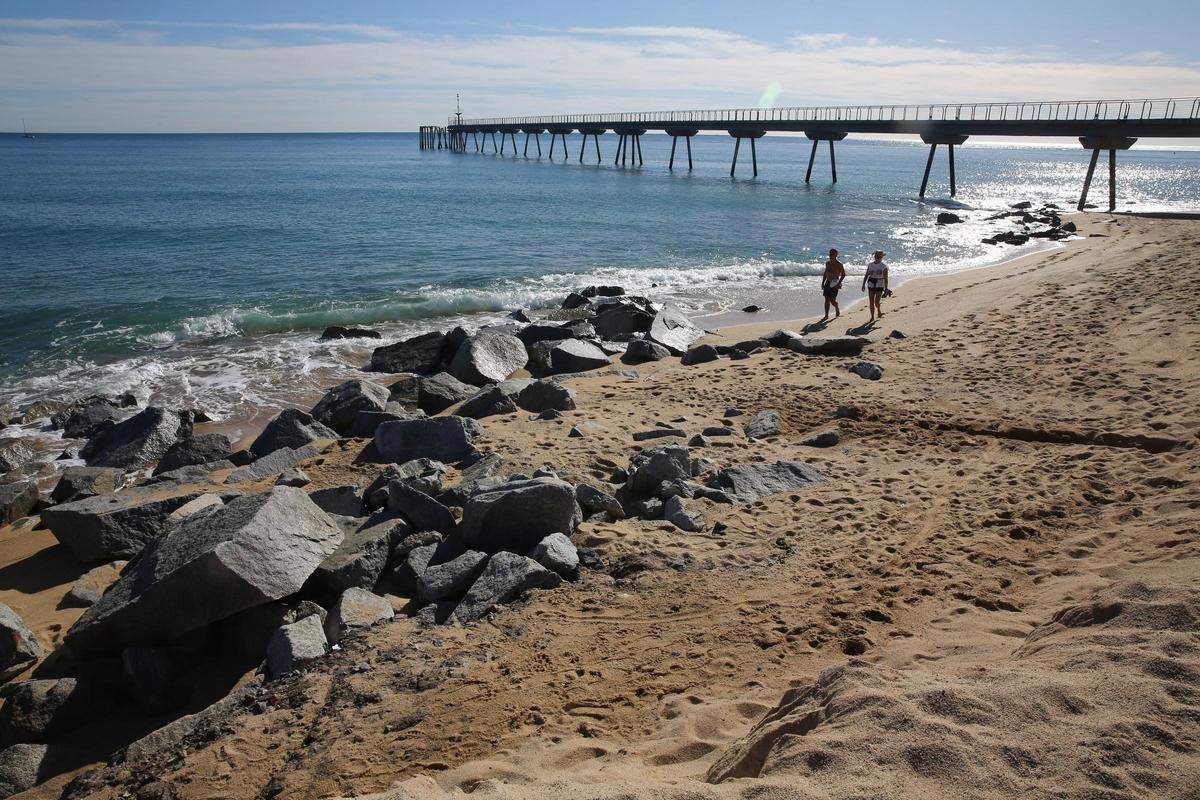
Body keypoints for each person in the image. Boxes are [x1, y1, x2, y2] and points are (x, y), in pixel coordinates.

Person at [861, 250, 889, 322]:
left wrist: (886, 289)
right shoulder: (870, 265)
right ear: (875, 256)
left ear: (882, 257)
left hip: (880, 285)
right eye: (877, 256)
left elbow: (886, 278)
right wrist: (863, 284)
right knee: (871, 301)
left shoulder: (884, 266)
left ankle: (879, 309)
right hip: (871, 283)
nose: (878, 258)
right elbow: (866, 275)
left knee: (876, 302)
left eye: (879, 257)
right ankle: (872, 317)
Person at [820, 248, 845, 321]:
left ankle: (836, 307)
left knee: (832, 301)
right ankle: (826, 315)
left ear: (836, 255)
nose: (830, 256)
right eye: (830, 254)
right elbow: (825, 273)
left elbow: (843, 274)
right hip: (827, 283)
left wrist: (839, 283)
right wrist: (823, 282)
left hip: (835, 284)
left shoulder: (839, 264)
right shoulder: (827, 263)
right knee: (826, 299)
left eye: (832, 254)